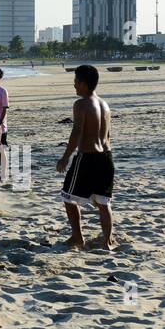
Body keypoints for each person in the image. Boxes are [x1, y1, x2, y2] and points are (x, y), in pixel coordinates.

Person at [56, 64, 116, 250]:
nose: (74, 85)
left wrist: (66, 157)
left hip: (87, 158)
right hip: (106, 157)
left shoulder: (81, 104)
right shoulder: (104, 105)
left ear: (83, 83)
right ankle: (107, 241)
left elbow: (77, 131)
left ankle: (77, 237)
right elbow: (108, 135)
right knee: (103, 202)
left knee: (68, 197)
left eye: (75, 81)